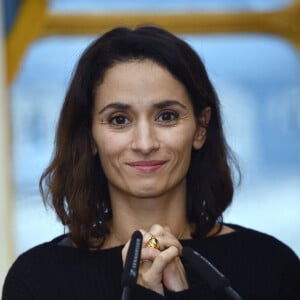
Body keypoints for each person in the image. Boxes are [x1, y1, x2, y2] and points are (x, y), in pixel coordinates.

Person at [2, 26, 300, 300]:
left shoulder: (271, 265)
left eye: (166, 116)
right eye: (119, 120)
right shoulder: (38, 280)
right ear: (90, 136)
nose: (145, 143)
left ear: (201, 128)